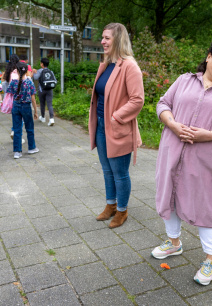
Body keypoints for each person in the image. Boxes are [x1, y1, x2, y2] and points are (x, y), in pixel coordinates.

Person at [151, 37, 212, 286]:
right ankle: (173, 243)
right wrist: (171, 123)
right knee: (168, 195)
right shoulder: (184, 80)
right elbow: (163, 103)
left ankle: (211, 259)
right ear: (209, 56)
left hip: (204, 162)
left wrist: (211, 135)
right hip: (171, 152)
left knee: (206, 206)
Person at [88, 23, 144, 228]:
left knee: (120, 173)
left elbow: (137, 100)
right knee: (107, 170)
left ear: (118, 40)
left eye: (107, 38)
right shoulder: (106, 64)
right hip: (102, 126)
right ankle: (110, 205)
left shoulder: (130, 66)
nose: (102, 41)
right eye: (102, 37)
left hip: (118, 127)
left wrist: (116, 117)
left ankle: (122, 210)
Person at [6, 62, 39, 159]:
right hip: (26, 107)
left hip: (16, 106)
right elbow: (33, 99)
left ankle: (17, 152)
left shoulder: (13, 82)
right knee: (29, 128)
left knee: (17, 129)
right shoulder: (29, 82)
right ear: (27, 71)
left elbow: (9, 95)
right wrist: (36, 111)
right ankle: (31, 148)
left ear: (17, 70)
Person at [2, 54, 25, 144]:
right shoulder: (18, 71)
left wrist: (7, 94)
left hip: (10, 98)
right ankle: (16, 134)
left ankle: (13, 130)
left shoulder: (7, 72)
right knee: (21, 118)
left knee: (15, 117)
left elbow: (3, 85)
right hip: (18, 97)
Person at [33, 58, 56, 126]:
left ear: (42, 64)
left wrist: (34, 72)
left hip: (42, 90)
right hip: (49, 90)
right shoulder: (50, 71)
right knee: (49, 104)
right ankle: (51, 119)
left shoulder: (39, 71)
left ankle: (43, 117)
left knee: (42, 103)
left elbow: (35, 78)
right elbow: (55, 80)